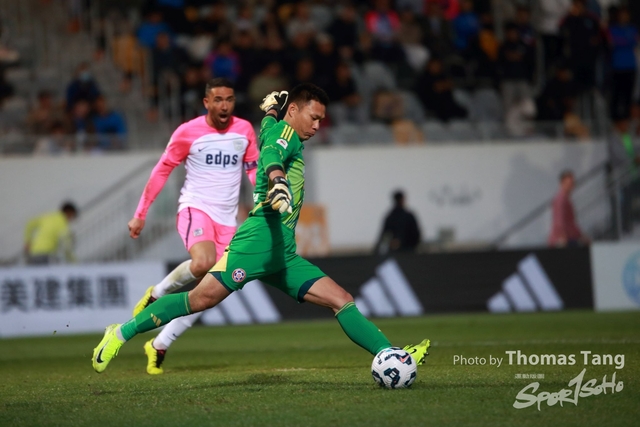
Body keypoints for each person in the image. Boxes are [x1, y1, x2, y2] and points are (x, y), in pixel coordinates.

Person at [92, 83, 430, 374]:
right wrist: (277, 179)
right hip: (259, 240)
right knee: (199, 299)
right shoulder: (286, 136)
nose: (317, 126)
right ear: (294, 110)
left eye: (321, 120)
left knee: (341, 299)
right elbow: (271, 155)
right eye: (313, 117)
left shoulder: (273, 127)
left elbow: (267, 131)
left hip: (282, 251)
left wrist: (269, 110)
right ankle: (119, 333)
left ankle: (391, 354)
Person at [127, 77, 259, 374]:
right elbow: (162, 170)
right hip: (195, 208)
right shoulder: (188, 132)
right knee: (203, 263)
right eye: (218, 100)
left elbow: (252, 169)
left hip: (227, 220)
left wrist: (262, 196)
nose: (224, 106)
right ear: (206, 102)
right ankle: (158, 292)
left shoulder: (244, 130)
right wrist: (140, 213)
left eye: (229, 99)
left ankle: (160, 343)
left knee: (211, 292)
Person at [548, 170, 588, 247]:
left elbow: (570, 222)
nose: (572, 186)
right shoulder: (561, 199)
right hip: (564, 240)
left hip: (570, 238)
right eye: (569, 183)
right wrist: (562, 236)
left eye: (572, 183)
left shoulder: (565, 199)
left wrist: (581, 235)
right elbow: (559, 220)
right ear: (562, 183)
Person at [374, 190, 421, 254]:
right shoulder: (408, 216)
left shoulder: (390, 217)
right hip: (407, 252)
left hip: (401, 251)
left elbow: (383, 236)